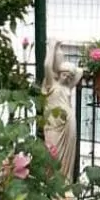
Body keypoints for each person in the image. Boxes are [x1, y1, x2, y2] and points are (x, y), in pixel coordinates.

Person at [42, 40, 82, 186]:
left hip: (69, 124)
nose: (68, 78)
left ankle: (66, 184)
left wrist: (63, 59)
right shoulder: (51, 84)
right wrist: (53, 47)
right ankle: (53, 185)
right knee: (53, 155)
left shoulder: (68, 87)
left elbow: (79, 72)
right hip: (54, 125)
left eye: (69, 77)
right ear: (59, 73)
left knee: (67, 159)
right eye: (65, 74)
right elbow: (47, 65)